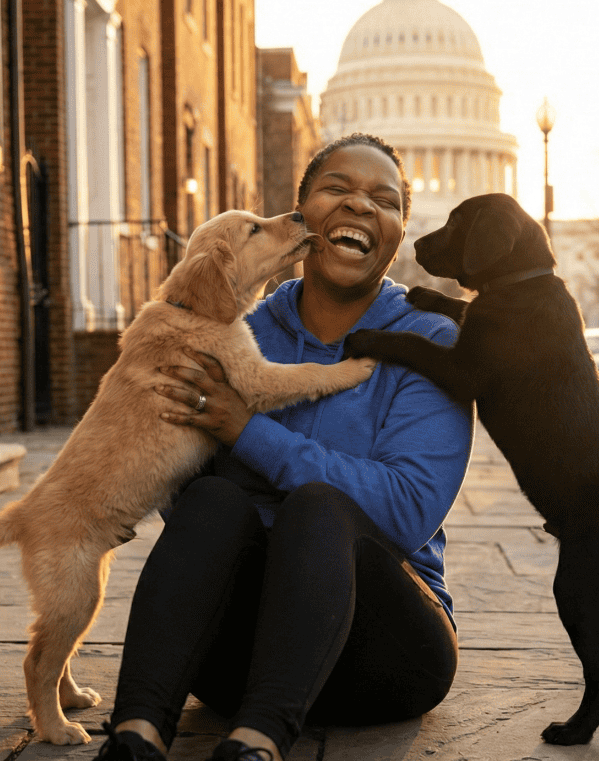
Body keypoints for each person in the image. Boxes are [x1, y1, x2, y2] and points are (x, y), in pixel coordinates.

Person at [93, 133, 474, 761]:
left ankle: (257, 746)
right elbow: (180, 497)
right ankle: (135, 733)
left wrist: (247, 431)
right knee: (211, 499)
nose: (359, 206)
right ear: (299, 221)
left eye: (384, 199)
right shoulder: (230, 333)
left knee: (321, 508)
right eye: (336, 189)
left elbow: (406, 509)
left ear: (398, 235)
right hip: (234, 657)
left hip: (383, 653)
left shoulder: (429, 341)